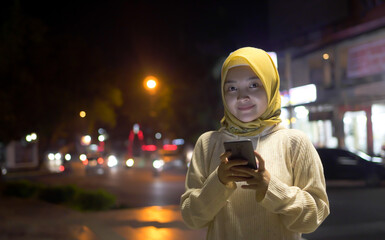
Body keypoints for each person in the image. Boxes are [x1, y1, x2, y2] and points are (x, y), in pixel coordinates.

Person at [180, 47, 330, 240]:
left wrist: (271, 187)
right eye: (232, 88)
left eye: (254, 85)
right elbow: (192, 218)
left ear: (270, 86)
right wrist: (218, 181)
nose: (242, 97)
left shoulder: (294, 142)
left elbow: (313, 218)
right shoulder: (208, 143)